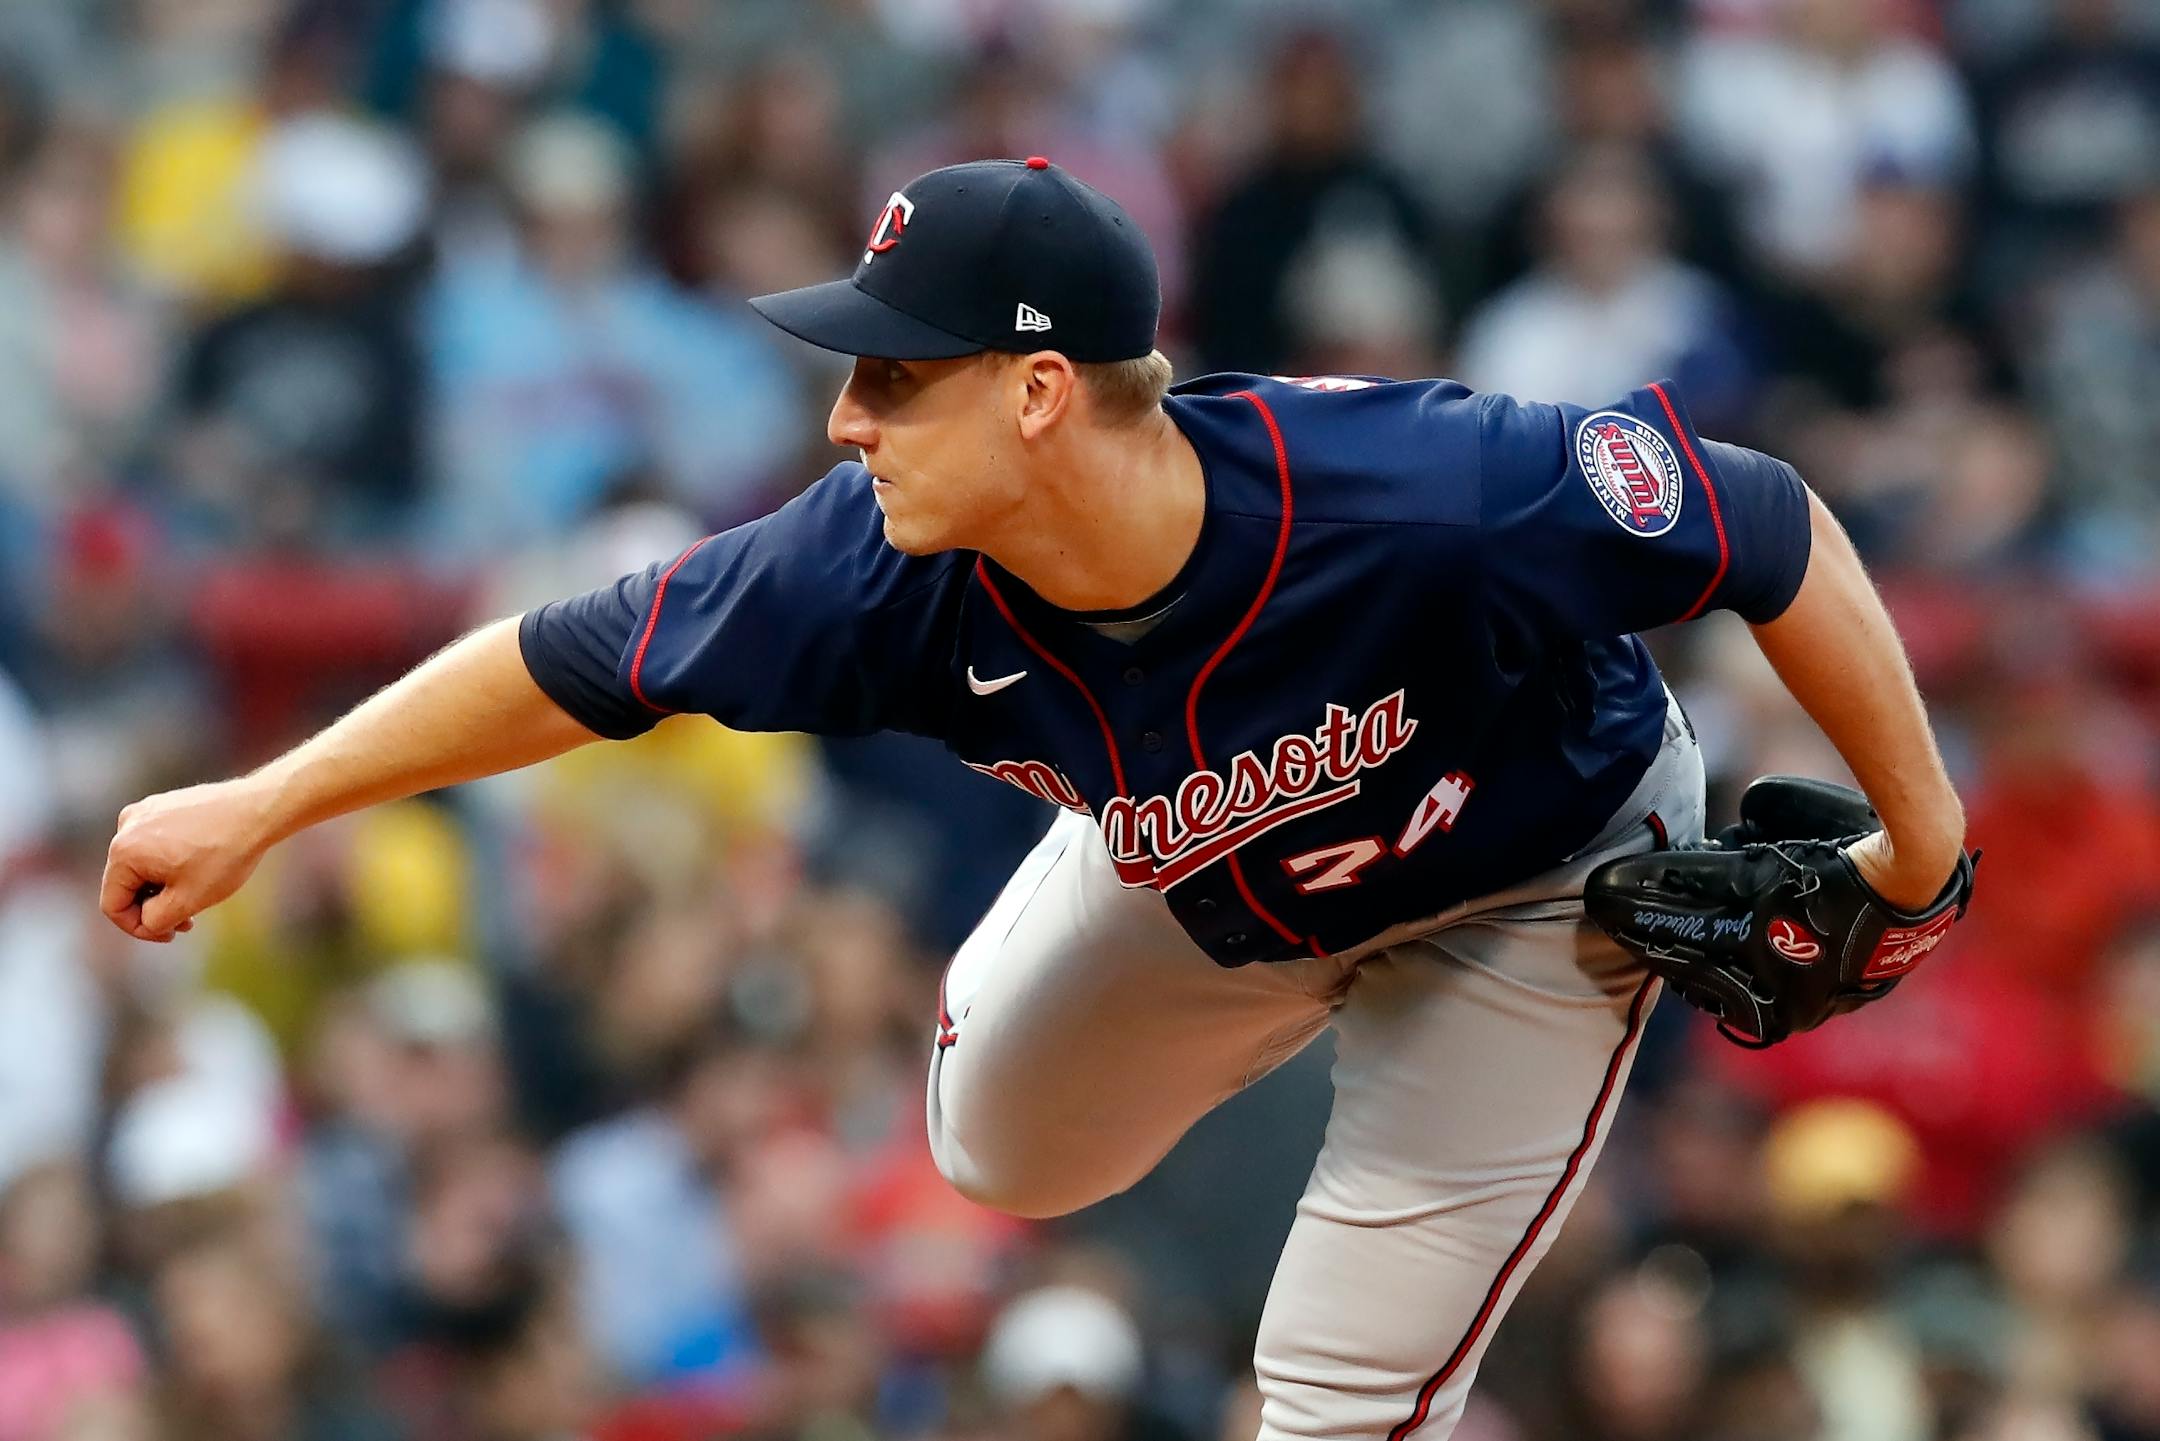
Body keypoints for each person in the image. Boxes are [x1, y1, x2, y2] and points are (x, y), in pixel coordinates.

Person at [102, 157, 1969, 1440]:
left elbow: (1768, 521)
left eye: (895, 373)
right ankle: (1197, 878)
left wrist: (1920, 854)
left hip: (1537, 880)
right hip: (1222, 869)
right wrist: (268, 796)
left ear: (1042, 393)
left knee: (1330, 1396)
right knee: (999, 1148)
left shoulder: (1426, 492)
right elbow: (569, 662)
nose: (846, 417)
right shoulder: (869, 563)